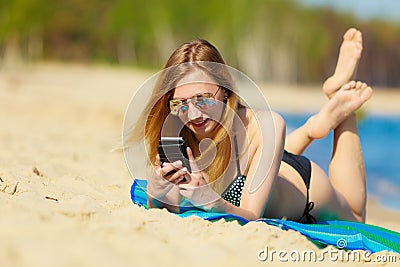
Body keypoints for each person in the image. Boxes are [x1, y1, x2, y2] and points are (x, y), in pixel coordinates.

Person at [128, 28, 372, 223]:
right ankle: (314, 127)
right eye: (180, 103)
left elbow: (252, 216)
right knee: (262, 152)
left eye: (202, 99)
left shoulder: (267, 124)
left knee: (356, 216)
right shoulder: (175, 130)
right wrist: (156, 194)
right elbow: (168, 208)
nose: (192, 114)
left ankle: (341, 99)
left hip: (304, 185)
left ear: (225, 91)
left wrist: (211, 201)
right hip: (264, 163)